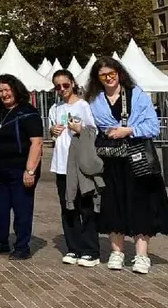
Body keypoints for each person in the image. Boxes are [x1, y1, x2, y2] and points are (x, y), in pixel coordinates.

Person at [86, 57, 168, 275]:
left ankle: (141, 255)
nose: (109, 79)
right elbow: (92, 126)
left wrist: (129, 130)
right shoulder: (94, 100)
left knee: (140, 205)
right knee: (113, 203)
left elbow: (153, 126)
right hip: (110, 159)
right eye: (103, 76)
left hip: (137, 159)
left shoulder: (137, 95)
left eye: (112, 74)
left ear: (119, 73)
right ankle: (117, 251)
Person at [0, 74, 44, 260]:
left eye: (7, 90)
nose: (4, 94)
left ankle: (22, 246)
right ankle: (1, 241)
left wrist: (30, 170)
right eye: (0, 91)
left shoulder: (29, 112)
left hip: (21, 169)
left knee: (22, 210)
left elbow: (37, 143)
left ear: (15, 90)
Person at [47, 69, 98, 266]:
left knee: (85, 206)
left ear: (73, 83)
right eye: (58, 87)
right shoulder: (55, 108)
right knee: (67, 207)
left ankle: (90, 249)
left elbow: (93, 131)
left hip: (79, 163)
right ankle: (73, 247)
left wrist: (80, 129)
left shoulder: (83, 105)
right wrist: (52, 131)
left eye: (65, 85)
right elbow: (53, 135)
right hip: (61, 164)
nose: (62, 89)